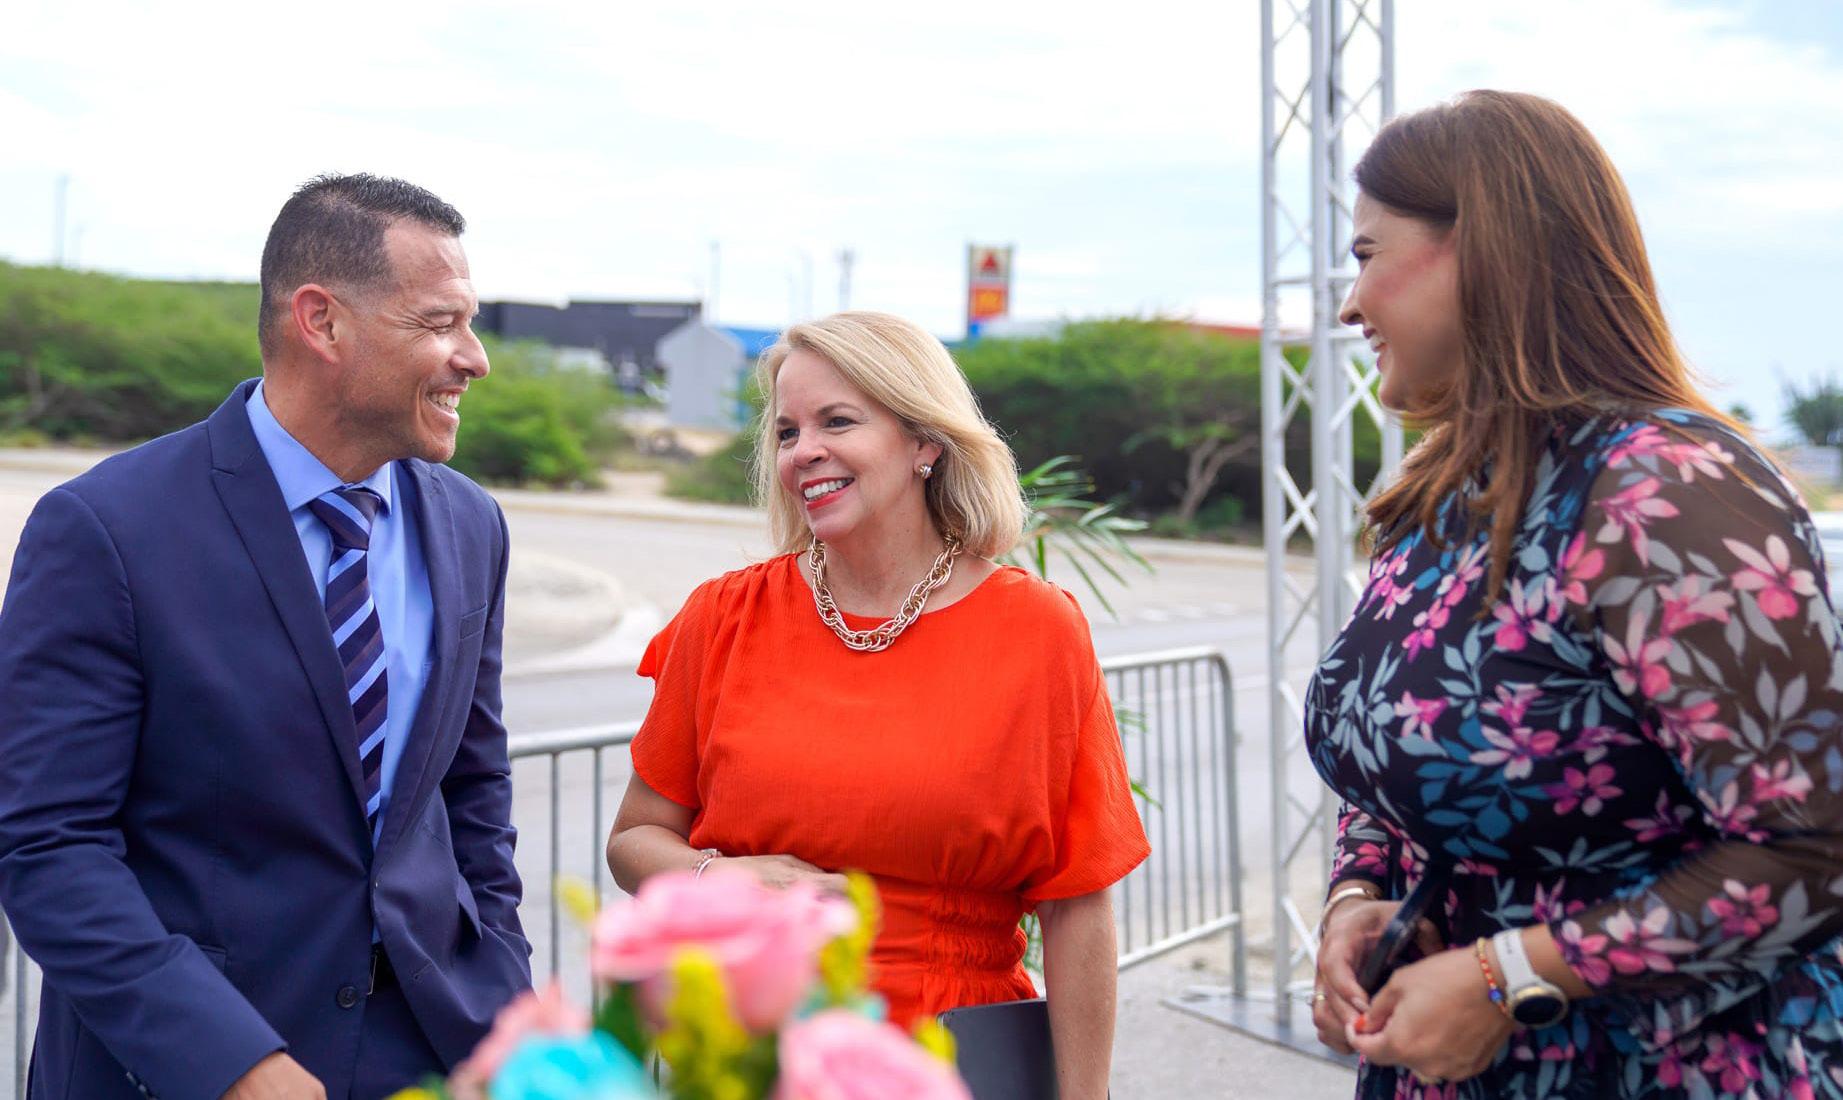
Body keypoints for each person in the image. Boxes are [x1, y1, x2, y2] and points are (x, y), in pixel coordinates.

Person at [1306, 89, 1843, 1098]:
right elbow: (1391, 761)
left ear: (1482, 250)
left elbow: (1814, 845)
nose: (1348, 304)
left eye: (1366, 255)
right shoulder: (1442, 493)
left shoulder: (1662, 490)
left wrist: (1510, 975)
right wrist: (1360, 895)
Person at [0, 174, 531, 1100]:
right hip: (179, 1069)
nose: (473, 358)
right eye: (439, 323)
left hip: (427, 1057)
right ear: (321, 322)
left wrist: (505, 1005)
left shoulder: (470, 524)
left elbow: (472, 793)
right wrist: (226, 1060)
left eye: (470, 324)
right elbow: (49, 844)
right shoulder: (106, 528)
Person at [605, 311, 1149, 1099]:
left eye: (837, 421)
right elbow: (633, 842)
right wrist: (719, 877)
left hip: (947, 1060)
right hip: (749, 1054)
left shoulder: (1037, 630)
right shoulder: (722, 617)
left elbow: (1077, 905)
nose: (803, 451)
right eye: (787, 432)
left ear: (924, 442)